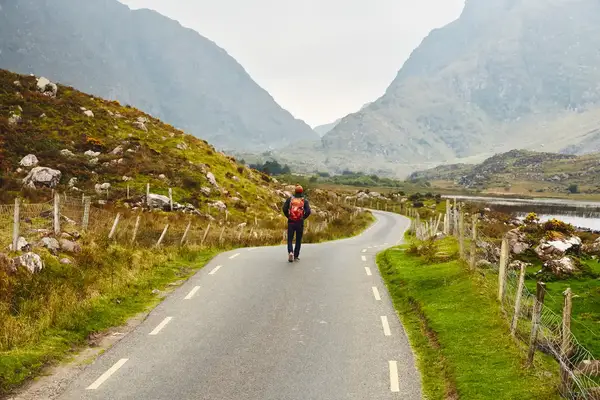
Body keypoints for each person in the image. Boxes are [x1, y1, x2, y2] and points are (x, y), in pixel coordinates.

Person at [283, 185, 311, 262]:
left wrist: (288, 216)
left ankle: (290, 252)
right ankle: (296, 255)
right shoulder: (304, 200)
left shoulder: (290, 199)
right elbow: (308, 211)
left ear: (295, 191)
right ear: (302, 192)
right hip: (300, 222)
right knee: (298, 239)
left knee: (290, 239)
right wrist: (303, 217)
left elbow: (284, 208)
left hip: (291, 221)